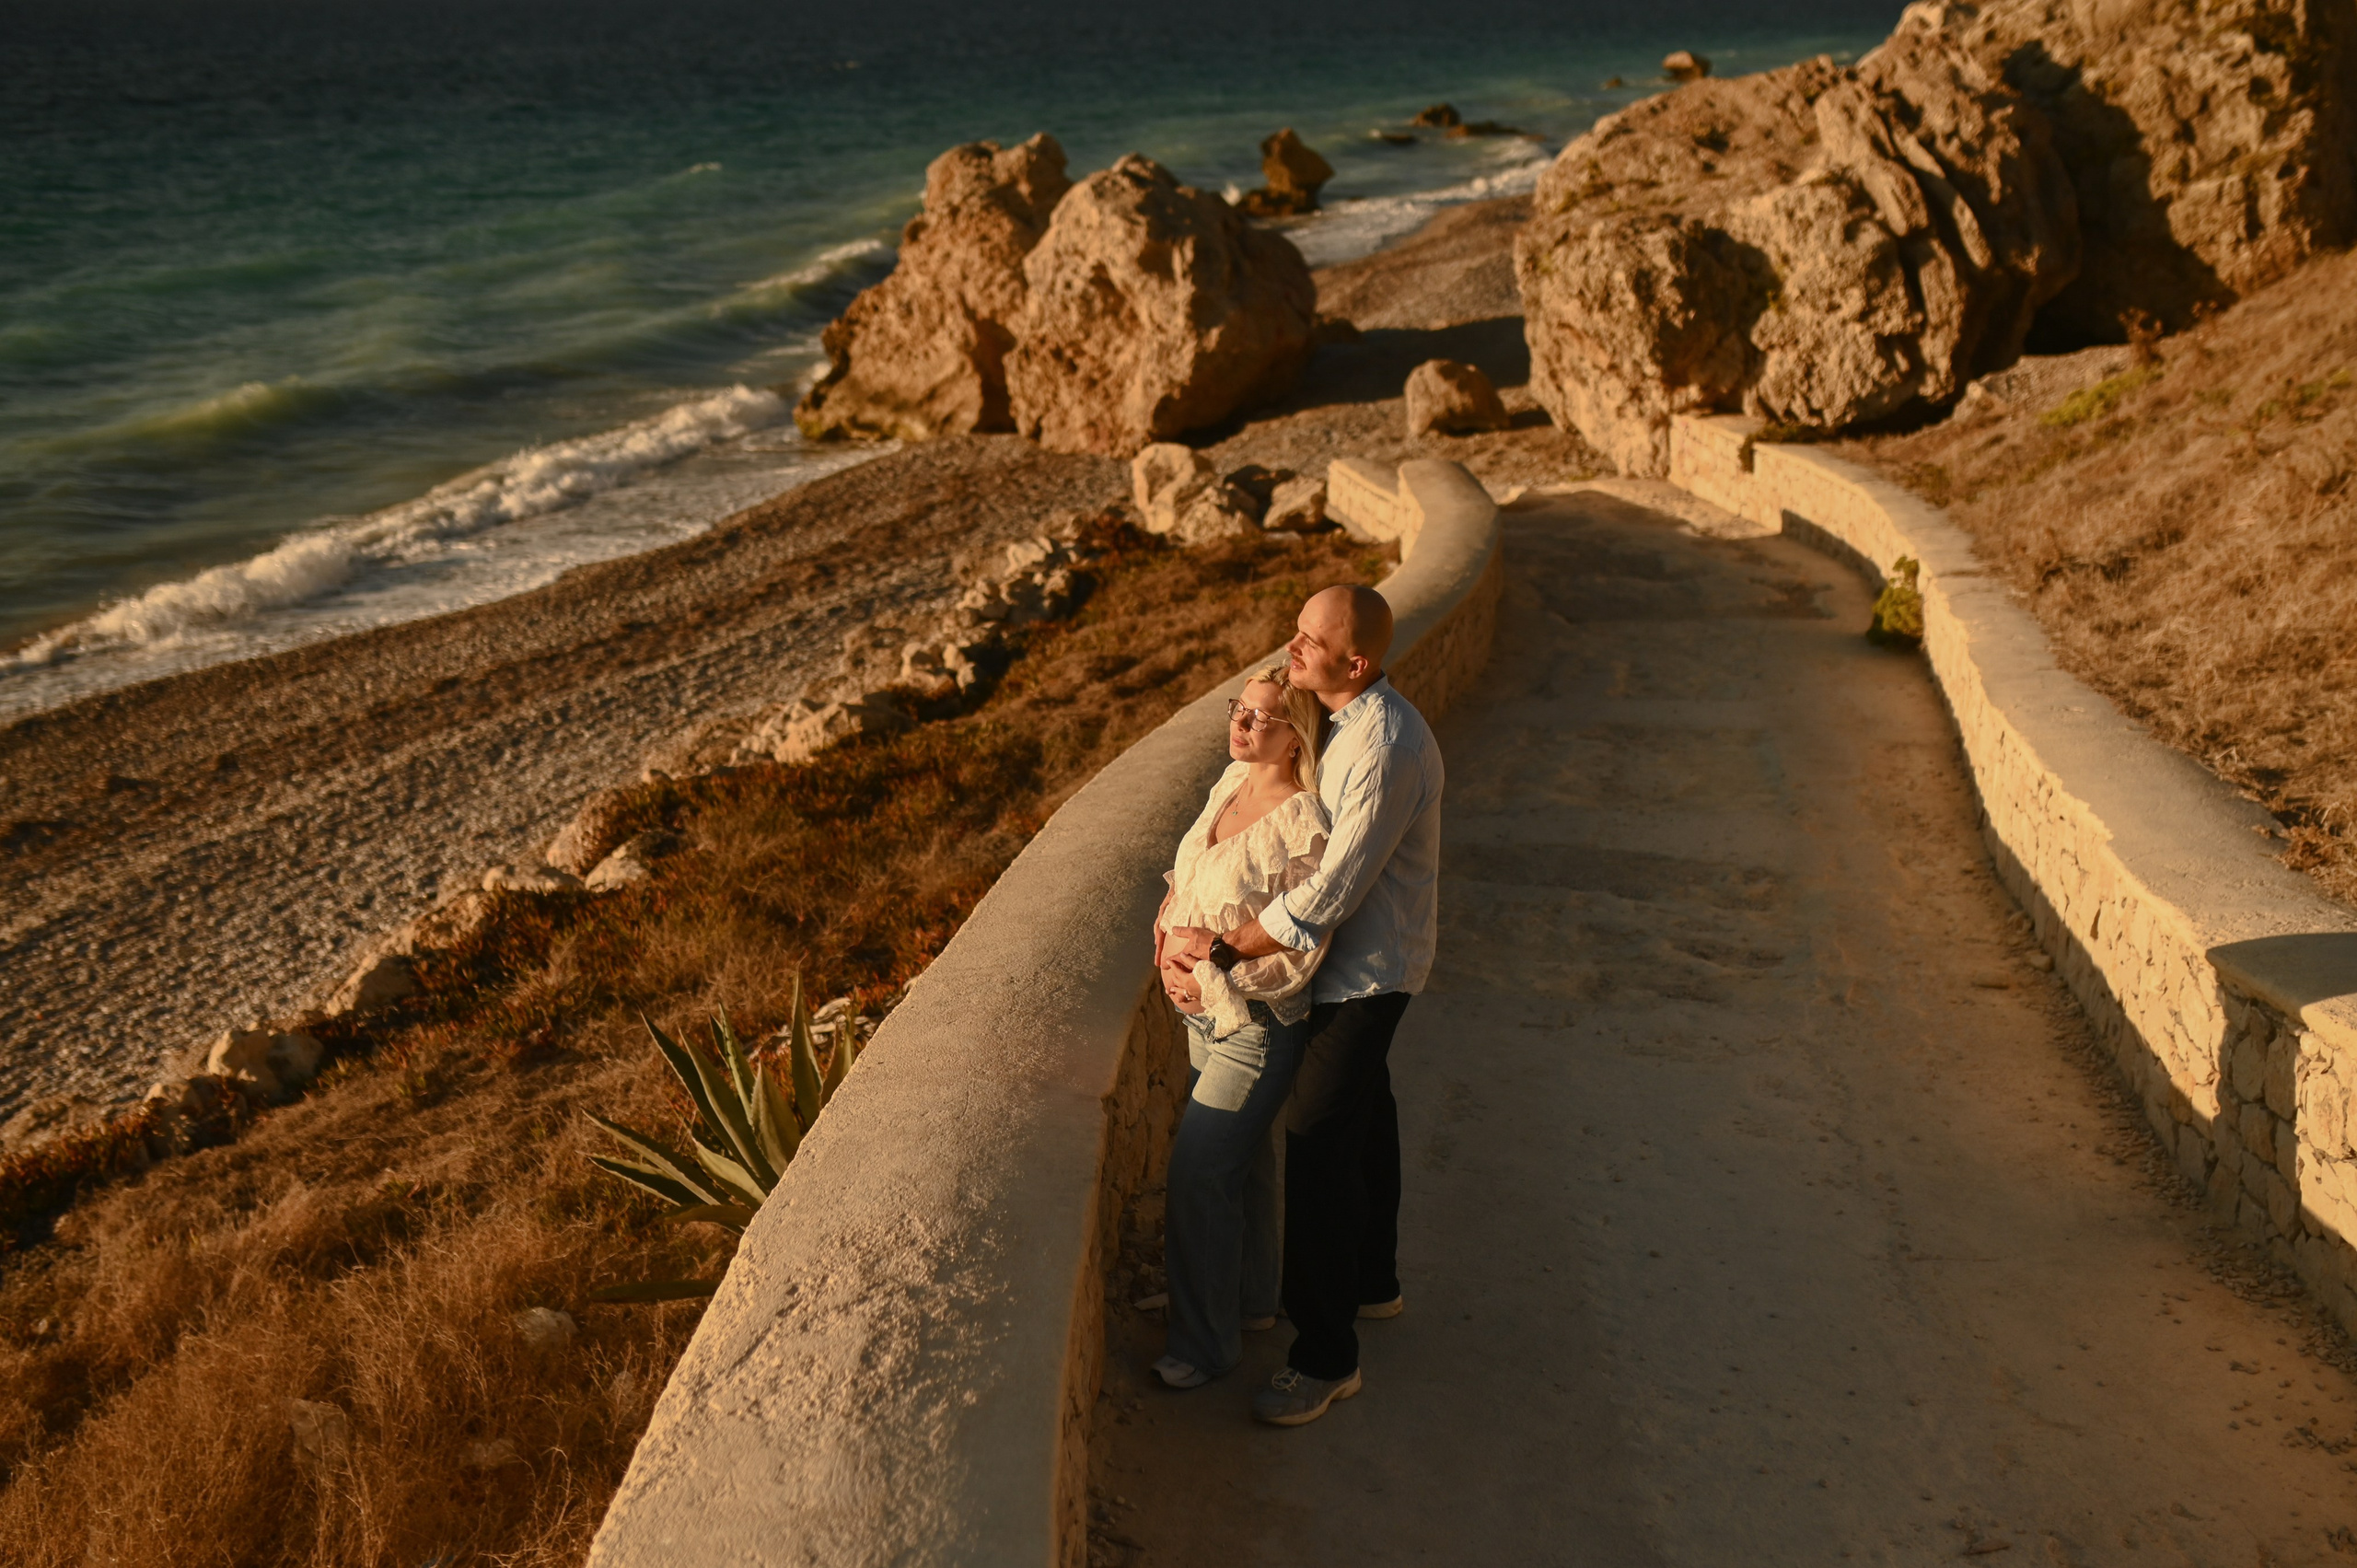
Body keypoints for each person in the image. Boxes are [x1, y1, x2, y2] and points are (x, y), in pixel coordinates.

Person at [1166, 584, 1441, 1426]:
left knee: (1317, 1144)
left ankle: (1325, 1357)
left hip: (1366, 972)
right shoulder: (1338, 721)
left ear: (1354, 662)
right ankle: (1374, 1283)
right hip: (1344, 963)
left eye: (1307, 640)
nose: (1292, 647)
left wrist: (1221, 948)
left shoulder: (1384, 743)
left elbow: (1330, 888)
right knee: (1368, 1119)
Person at [1149, 667, 1331, 1390]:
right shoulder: (1230, 782)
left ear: (1296, 739)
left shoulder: (1303, 822)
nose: (1244, 725)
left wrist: (1208, 973)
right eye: (1240, 710)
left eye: (1263, 719)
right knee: (1245, 1165)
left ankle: (1202, 1345)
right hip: (1204, 1020)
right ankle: (1253, 1301)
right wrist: (1162, 937)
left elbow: (1301, 950)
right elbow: (1187, 878)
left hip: (1254, 1027)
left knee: (1198, 1176)